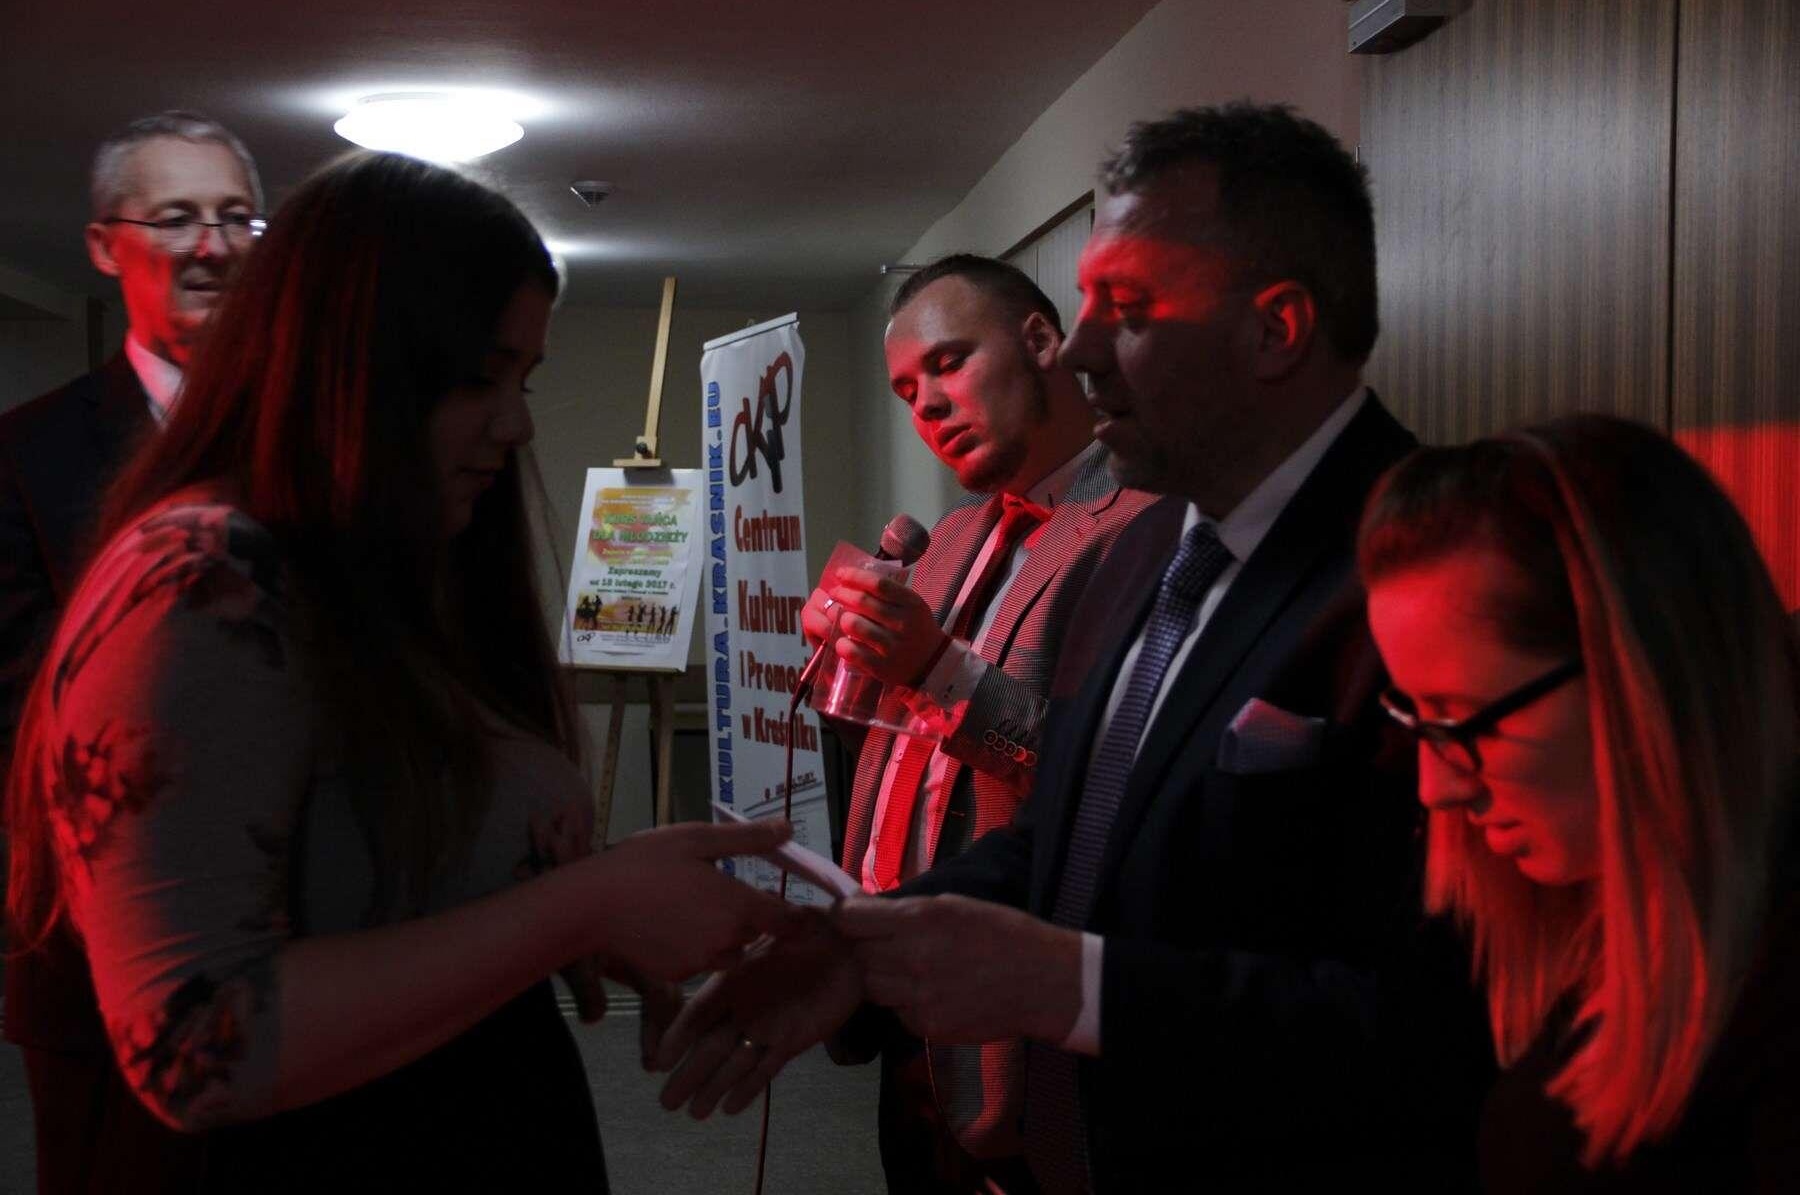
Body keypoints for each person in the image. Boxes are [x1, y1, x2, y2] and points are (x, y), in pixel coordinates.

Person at [657, 103, 1491, 1191]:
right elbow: (1070, 828)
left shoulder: (1451, 566)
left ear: (1276, 329)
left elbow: (1457, 1019)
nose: (1084, 351)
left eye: (1127, 310)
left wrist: (1077, 988)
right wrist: (861, 943)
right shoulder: (1148, 551)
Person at [3, 149, 799, 1191]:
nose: (515, 424)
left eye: (524, 380)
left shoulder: (379, 579)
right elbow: (198, 1044)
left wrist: (588, 907)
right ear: (349, 365)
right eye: (478, 378)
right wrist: (582, 906)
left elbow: (382, 884)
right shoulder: (205, 580)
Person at [1360, 414, 1800, 1191]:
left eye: (1466, 721)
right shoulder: (1568, 926)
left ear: (1647, 678)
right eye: (1413, 716)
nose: (1438, 788)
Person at [803, 254, 1152, 1192]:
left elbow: (1103, 779)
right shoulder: (954, 533)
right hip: (904, 977)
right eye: (906, 391)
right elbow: (906, 751)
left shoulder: (1142, 526)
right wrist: (849, 660)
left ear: (1040, 341)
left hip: (1023, 996)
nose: (927, 405)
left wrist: (933, 666)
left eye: (949, 363)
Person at [0, 109, 267, 1191]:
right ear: (107, 246)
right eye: (176, 218)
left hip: (316, 947)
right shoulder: (23, 453)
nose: (212, 245)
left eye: (236, 217)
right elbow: (20, 711)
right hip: (102, 947)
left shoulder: (328, 439)